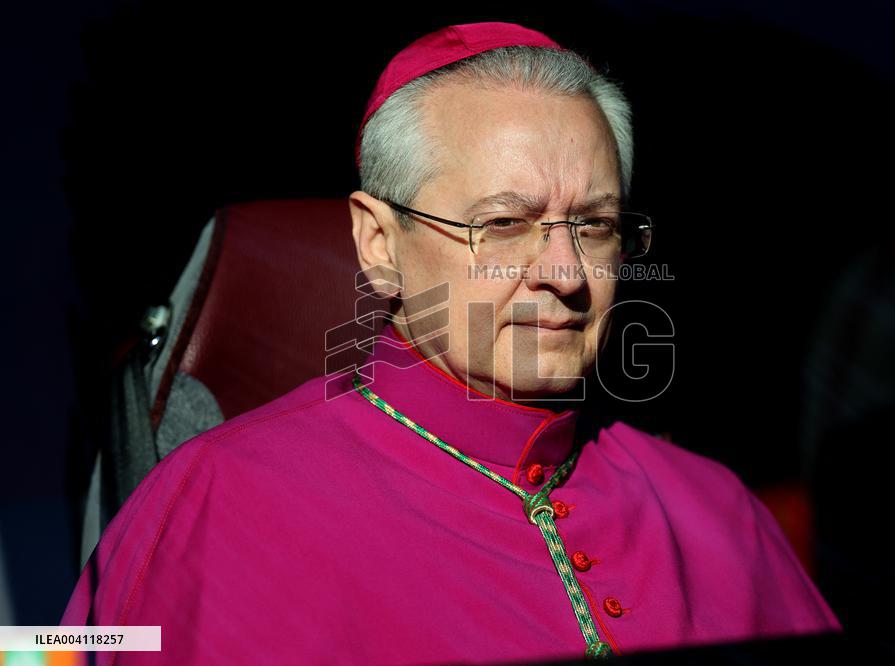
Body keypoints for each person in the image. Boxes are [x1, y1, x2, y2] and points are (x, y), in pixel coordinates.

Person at [61, 21, 841, 664]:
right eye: (504, 223)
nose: (566, 274)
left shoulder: (717, 511)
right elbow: (48, 650)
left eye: (596, 226)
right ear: (377, 243)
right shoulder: (212, 501)